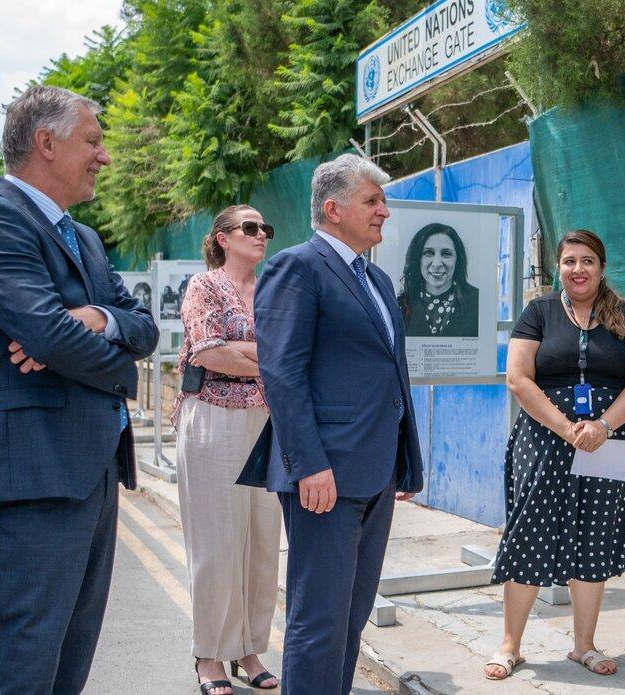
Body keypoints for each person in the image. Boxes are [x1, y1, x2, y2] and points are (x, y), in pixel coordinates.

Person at [0, 85, 159, 693]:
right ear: (46, 143)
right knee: (27, 673)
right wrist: (103, 356)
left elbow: (142, 326)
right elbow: (52, 337)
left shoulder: (83, 237)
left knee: (66, 671)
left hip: (90, 472)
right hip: (28, 475)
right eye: (93, 141)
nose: (104, 156)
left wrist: (96, 319)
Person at [237, 153, 424, 695]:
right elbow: (283, 373)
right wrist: (309, 465)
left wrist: (404, 460)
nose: (384, 211)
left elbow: (391, 374)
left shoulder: (378, 279)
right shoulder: (297, 267)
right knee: (319, 619)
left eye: (383, 201)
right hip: (325, 475)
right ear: (333, 209)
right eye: (372, 201)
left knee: (351, 615)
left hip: (375, 472)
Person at [483, 230, 625, 681]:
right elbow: (518, 378)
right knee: (530, 533)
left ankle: (584, 646)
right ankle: (510, 646)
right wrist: (566, 428)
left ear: (601, 267)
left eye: (588, 261)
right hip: (544, 438)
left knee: (594, 536)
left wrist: (603, 426)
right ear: (558, 267)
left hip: (607, 439)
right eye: (570, 261)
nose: (578, 269)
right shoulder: (538, 312)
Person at [172, 206, 280, 694]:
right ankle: (210, 655)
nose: (261, 235)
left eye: (265, 229)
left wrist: (246, 354)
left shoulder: (273, 288)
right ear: (223, 238)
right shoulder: (205, 286)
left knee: (261, 542)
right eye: (250, 228)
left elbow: (291, 347)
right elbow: (209, 351)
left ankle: (248, 648)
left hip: (268, 421)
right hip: (213, 418)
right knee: (216, 544)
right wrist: (271, 360)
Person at [397, 223, 480, 337]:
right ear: (418, 258)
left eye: (446, 254)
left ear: (458, 259)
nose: (436, 264)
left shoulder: (477, 302)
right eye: (428, 253)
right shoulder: (401, 305)